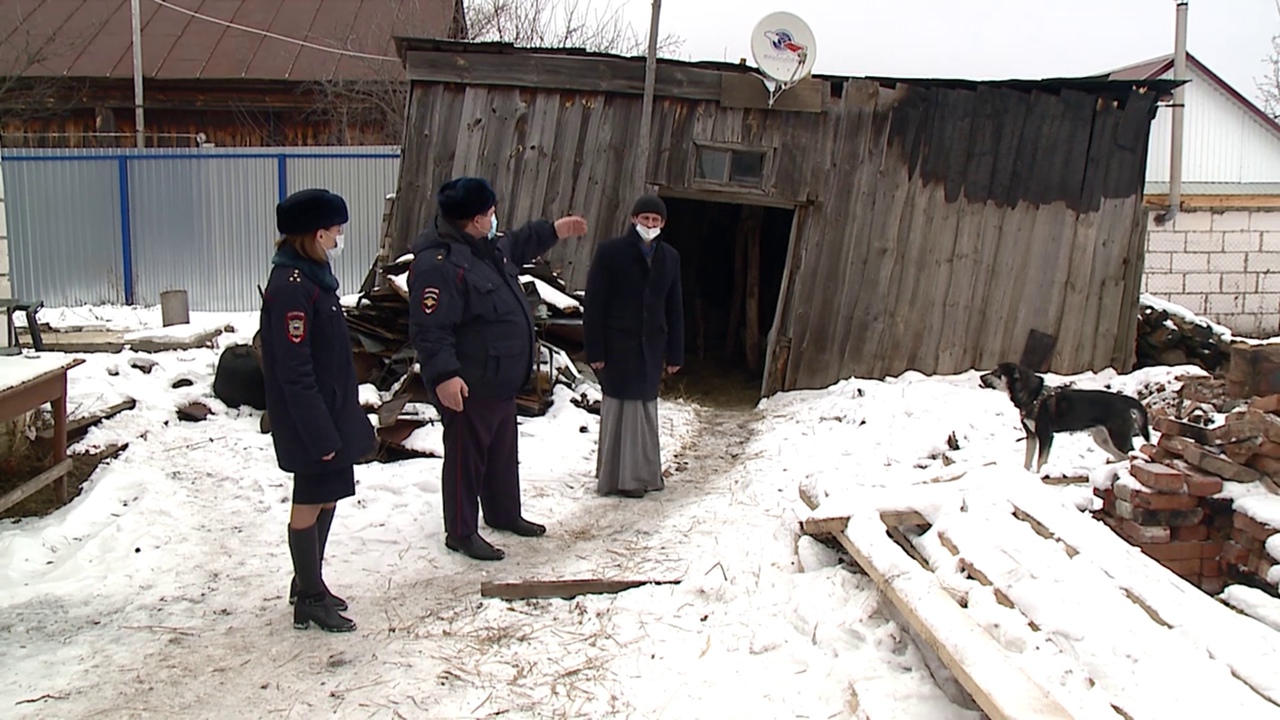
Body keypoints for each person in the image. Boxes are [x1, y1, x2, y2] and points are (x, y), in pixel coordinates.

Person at [408, 177, 588, 561]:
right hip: (469, 381)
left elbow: (518, 243)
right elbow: (430, 329)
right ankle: (461, 531)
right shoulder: (440, 265)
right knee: (466, 458)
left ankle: (504, 513)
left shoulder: (485, 249)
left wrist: (554, 230)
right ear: (475, 220)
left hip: (500, 378)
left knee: (502, 455)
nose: (495, 219)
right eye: (490, 213)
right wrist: (444, 375)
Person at [259, 188, 376, 632]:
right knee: (308, 500)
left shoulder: (314, 279)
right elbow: (294, 370)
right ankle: (308, 599)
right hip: (310, 418)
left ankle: (310, 581)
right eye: (335, 230)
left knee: (327, 494)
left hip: (330, 410)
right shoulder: (292, 288)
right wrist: (320, 433)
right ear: (315, 234)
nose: (339, 237)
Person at [584, 195, 684, 498]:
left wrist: (676, 352)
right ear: (633, 219)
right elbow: (595, 303)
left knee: (644, 409)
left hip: (651, 345)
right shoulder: (611, 252)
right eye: (645, 219)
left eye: (655, 220)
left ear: (663, 223)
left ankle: (643, 475)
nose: (650, 224)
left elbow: (674, 307)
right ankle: (618, 479)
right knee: (619, 408)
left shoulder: (669, 257)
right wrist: (595, 350)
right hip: (618, 344)